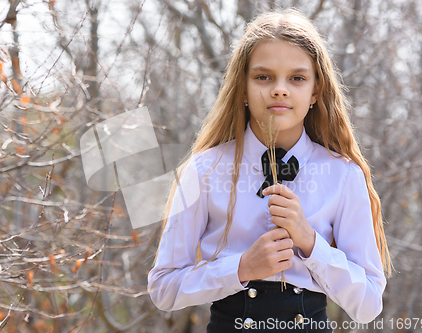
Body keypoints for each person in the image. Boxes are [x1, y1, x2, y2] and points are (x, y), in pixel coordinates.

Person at [148, 9, 391, 332]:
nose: (279, 89)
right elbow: (164, 289)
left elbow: (368, 305)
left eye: (297, 78)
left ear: (315, 91)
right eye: (263, 77)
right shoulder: (204, 169)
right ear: (243, 88)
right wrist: (240, 268)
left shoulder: (343, 175)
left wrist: (309, 242)